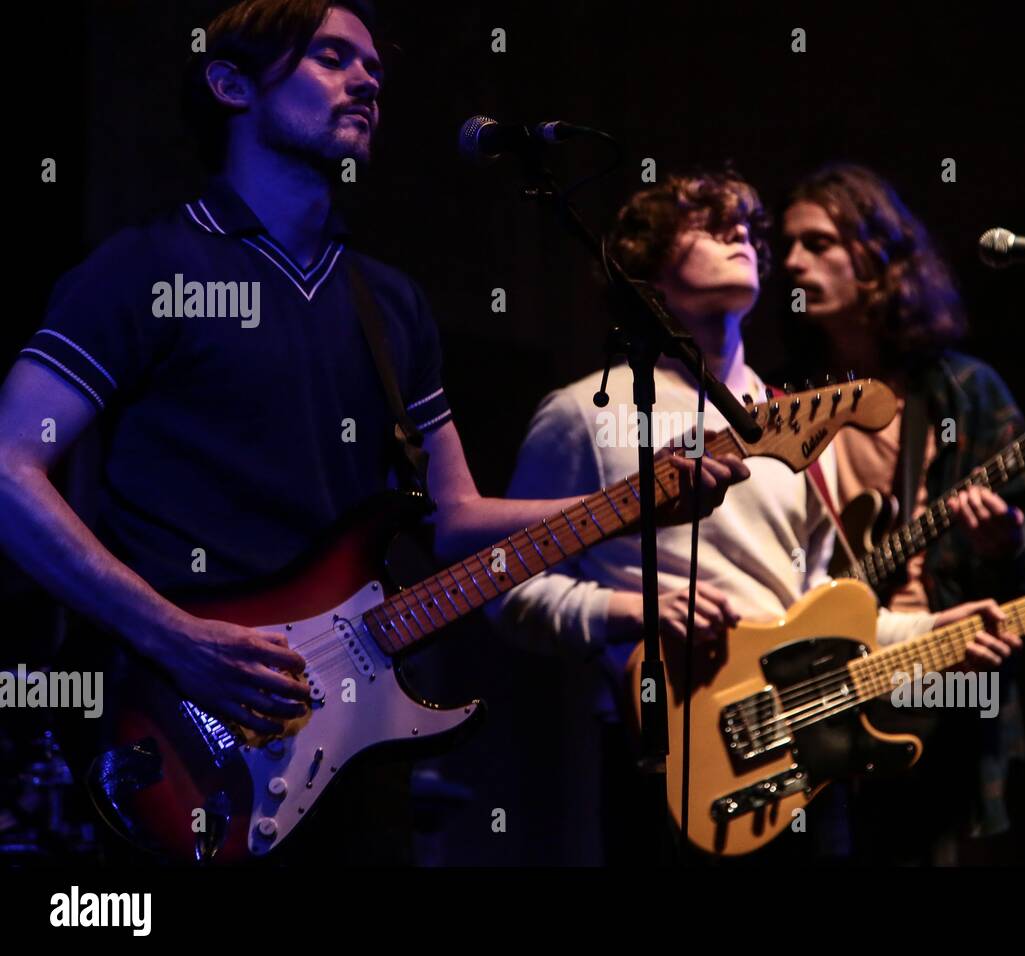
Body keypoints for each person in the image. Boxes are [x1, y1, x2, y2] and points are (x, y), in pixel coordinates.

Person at [0, 0, 744, 863]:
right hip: (176, 722)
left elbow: (454, 517)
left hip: (349, 739)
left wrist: (630, 502)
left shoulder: (387, 301)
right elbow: (11, 467)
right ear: (231, 82)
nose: (367, 81)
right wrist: (175, 635)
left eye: (374, 71)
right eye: (330, 58)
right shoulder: (146, 268)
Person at [486, 169, 1016, 864]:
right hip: (666, 754)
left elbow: (818, 615)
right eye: (708, 225)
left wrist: (926, 630)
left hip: (799, 761)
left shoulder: (799, 428)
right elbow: (501, 585)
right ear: (649, 266)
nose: (740, 234)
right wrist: (633, 607)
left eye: (745, 226)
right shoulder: (585, 413)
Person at [781, 162, 1025, 863]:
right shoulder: (782, 406)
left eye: (817, 244)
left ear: (873, 256)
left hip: (942, 688)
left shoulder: (966, 391)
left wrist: (1002, 544)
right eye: (787, 246)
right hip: (820, 691)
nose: (791, 263)